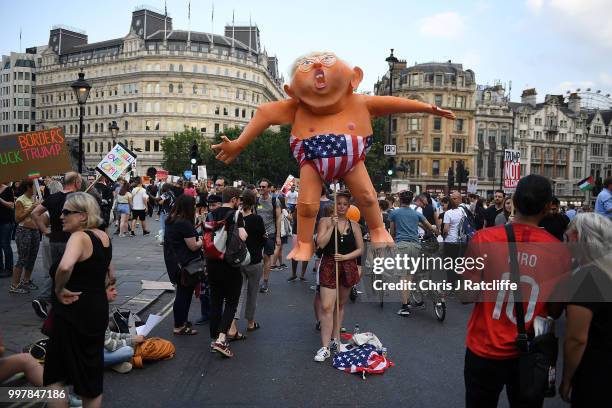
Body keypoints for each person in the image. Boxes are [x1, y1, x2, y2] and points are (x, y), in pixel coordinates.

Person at [461, 175, 572, 408]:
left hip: (483, 349)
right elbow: (555, 310)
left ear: (514, 201)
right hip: (530, 353)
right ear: (547, 207)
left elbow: (466, 295)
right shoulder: (560, 252)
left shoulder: (483, 239)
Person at [44, 192, 112, 408]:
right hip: (96, 310)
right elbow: (110, 275)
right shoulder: (102, 237)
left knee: (54, 377)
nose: (60, 216)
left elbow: (65, 267)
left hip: (72, 312)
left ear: (83, 216)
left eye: (66, 212)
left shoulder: (79, 237)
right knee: (90, 380)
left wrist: (58, 288)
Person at [560, 213, 612, 406]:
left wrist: (567, 379)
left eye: (566, 238)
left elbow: (576, 339)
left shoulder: (587, 277)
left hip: (596, 373)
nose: (564, 244)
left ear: (578, 237)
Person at [313, 191, 363, 362]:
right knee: (327, 306)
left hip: (347, 266)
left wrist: (346, 258)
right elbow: (320, 243)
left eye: (344, 204)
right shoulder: (325, 221)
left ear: (348, 207)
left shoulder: (355, 225)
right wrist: (332, 227)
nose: (341, 207)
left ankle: (336, 340)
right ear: (334, 205)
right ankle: (325, 347)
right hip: (328, 265)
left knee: (340, 305)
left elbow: (360, 249)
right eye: (338, 203)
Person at [31, 172, 83, 319]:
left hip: (54, 240)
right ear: (76, 182)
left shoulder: (52, 198)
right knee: (69, 272)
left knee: (57, 271)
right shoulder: (77, 198)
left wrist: (45, 230)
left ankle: (53, 301)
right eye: (79, 182)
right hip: (71, 240)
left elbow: (35, 213)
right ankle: (53, 300)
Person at [208, 187, 247, 357]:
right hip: (230, 264)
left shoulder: (211, 214)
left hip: (212, 263)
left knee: (215, 302)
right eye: (238, 199)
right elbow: (243, 236)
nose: (239, 202)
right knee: (231, 302)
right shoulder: (236, 215)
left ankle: (213, 338)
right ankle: (222, 338)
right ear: (233, 199)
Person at [390, 190, 436, 316]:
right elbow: (429, 227)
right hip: (415, 245)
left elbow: (392, 232)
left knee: (403, 277)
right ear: (411, 200)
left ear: (400, 199)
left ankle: (405, 306)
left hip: (402, 245)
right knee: (410, 275)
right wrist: (435, 231)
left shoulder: (394, 213)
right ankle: (415, 297)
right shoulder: (416, 214)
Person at [163, 194, 202, 335]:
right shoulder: (184, 223)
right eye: (193, 206)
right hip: (185, 264)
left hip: (174, 262)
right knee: (184, 294)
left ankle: (182, 321)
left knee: (182, 292)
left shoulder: (171, 220)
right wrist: (202, 241)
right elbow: (193, 246)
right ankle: (179, 325)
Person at [230, 190, 266, 335]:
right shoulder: (257, 219)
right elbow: (263, 238)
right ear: (253, 203)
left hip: (238, 260)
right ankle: (250, 323)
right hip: (255, 260)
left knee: (237, 294)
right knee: (252, 293)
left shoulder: (235, 217)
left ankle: (232, 324)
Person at [103, 274, 145, 373]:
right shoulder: (98, 311)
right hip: (88, 355)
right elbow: (110, 345)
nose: (116, 293)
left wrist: (131, 336)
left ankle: (114, 362)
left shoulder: (102, 307)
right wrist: (132, 341)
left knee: (128, 346)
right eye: (112, 290)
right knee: (128, 350)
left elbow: (111, 334)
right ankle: (111, 362)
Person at [9, 180, 41, 294]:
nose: (36, 188)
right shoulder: (20, 200)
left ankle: (26, 281)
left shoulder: (35, 198)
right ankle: (15, 285)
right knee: (22, 258)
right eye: (34, 186)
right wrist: (31, 208)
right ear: (28, 187)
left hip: (35, 231)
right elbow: (18, 219)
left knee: (32, 257)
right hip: (24, 231)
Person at [257, 179, 282, 293]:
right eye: (260, 187)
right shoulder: (256, 200)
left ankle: (265, 282)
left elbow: (278, 218)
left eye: (263, 187)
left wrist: (278, 236)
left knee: (266, 257)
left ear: (269, 188)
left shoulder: (274, 200)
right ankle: (255, 279)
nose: (261, 189)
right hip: (258, 234)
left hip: (270, 233)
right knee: (256, 258)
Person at [0, 182, 15, 278]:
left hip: (6, 222)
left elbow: (11, 205)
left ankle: (9, 269)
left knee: (5, 245)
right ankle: (0, 267)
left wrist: (0, 200)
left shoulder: (8, 189)